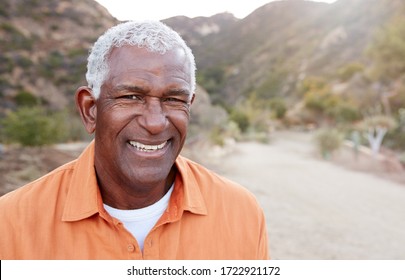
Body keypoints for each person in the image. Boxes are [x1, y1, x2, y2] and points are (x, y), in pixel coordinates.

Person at [0, 20, 269, 260]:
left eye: (174, 99)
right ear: (90, 110)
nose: (155, 122)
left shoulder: (241, 213)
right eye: (131, 97)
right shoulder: (11, 225)